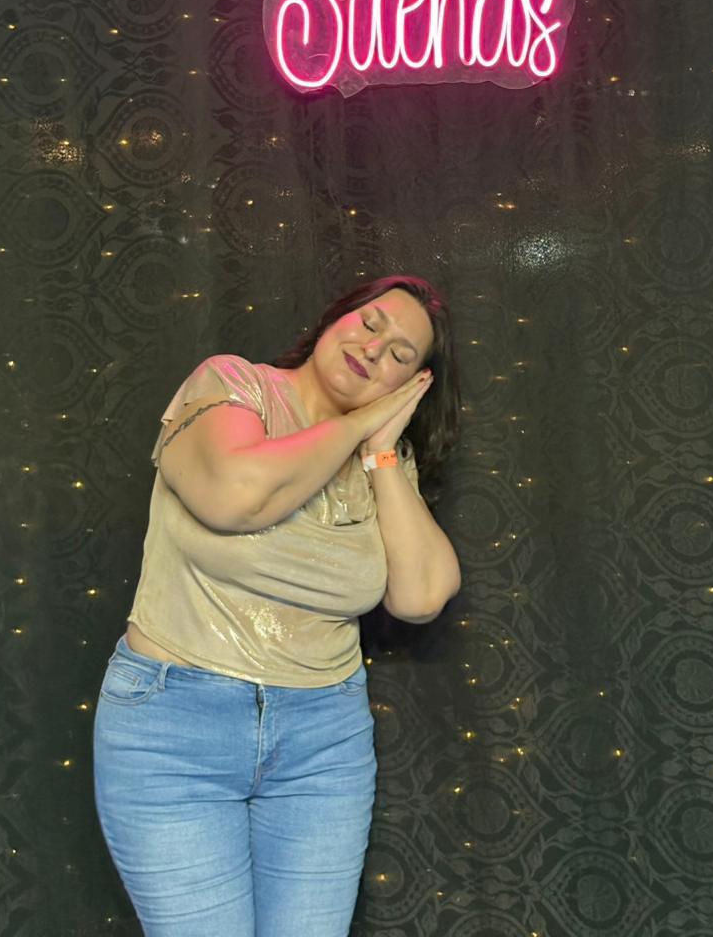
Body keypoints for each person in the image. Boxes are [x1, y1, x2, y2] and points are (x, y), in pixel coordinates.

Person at [93, 275, 462, 937]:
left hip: (323, 740)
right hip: (176, 727)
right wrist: (358, 424)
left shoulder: (382, 457)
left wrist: (380, 451)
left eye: (400, 355)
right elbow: (234, 496)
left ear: (412, 386)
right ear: (334, 318)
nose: (374, 349)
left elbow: (422, 595)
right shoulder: (234, 385)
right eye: (370, 323)